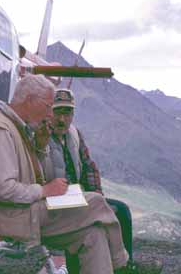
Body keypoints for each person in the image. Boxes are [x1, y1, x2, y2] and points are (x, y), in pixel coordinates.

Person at [0, 74, 128, 274]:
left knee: (94, 233)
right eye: (48, 106)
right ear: (30, 100)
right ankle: (122, 263)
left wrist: (39, 148)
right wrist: (45, 190)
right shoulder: (0, 131)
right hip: (1, 218)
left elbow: (27, 175)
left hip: (21, 212)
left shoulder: (17, 128)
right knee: (97, 203)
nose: (50, 114)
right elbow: (2, 189)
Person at [39, 88, 135, 273]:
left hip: (79, 197)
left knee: (119, 210)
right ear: (49, 112)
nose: (62, 119)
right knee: (95, 220)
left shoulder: (74, 135)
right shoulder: (41, 137)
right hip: (54, 202)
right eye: (57, 112)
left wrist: (97, 195)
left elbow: (88, 166)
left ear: (73, 114)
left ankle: (121, 266)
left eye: (67, 113)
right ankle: (123, 267)